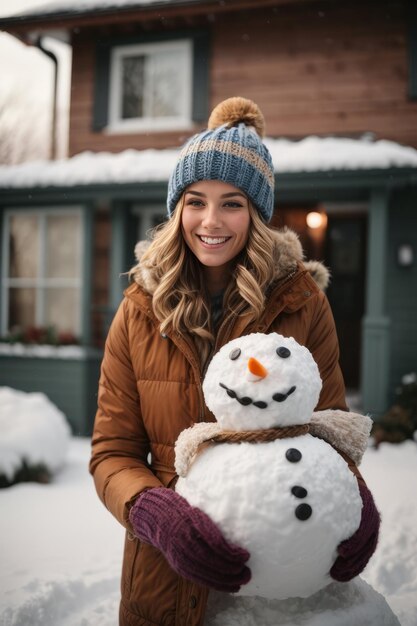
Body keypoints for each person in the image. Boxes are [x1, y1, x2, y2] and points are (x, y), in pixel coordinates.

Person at [89, 97, 380, 626]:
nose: (211, 221)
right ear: (177, 208)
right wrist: (158, 516)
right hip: (166, 581)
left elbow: (333, 433)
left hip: (284, 583)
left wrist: (354, 502)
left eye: (233, 203)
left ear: (258, 213)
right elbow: (111, 452)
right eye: (196, 201)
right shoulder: (138, 310)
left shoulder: (301, 302)